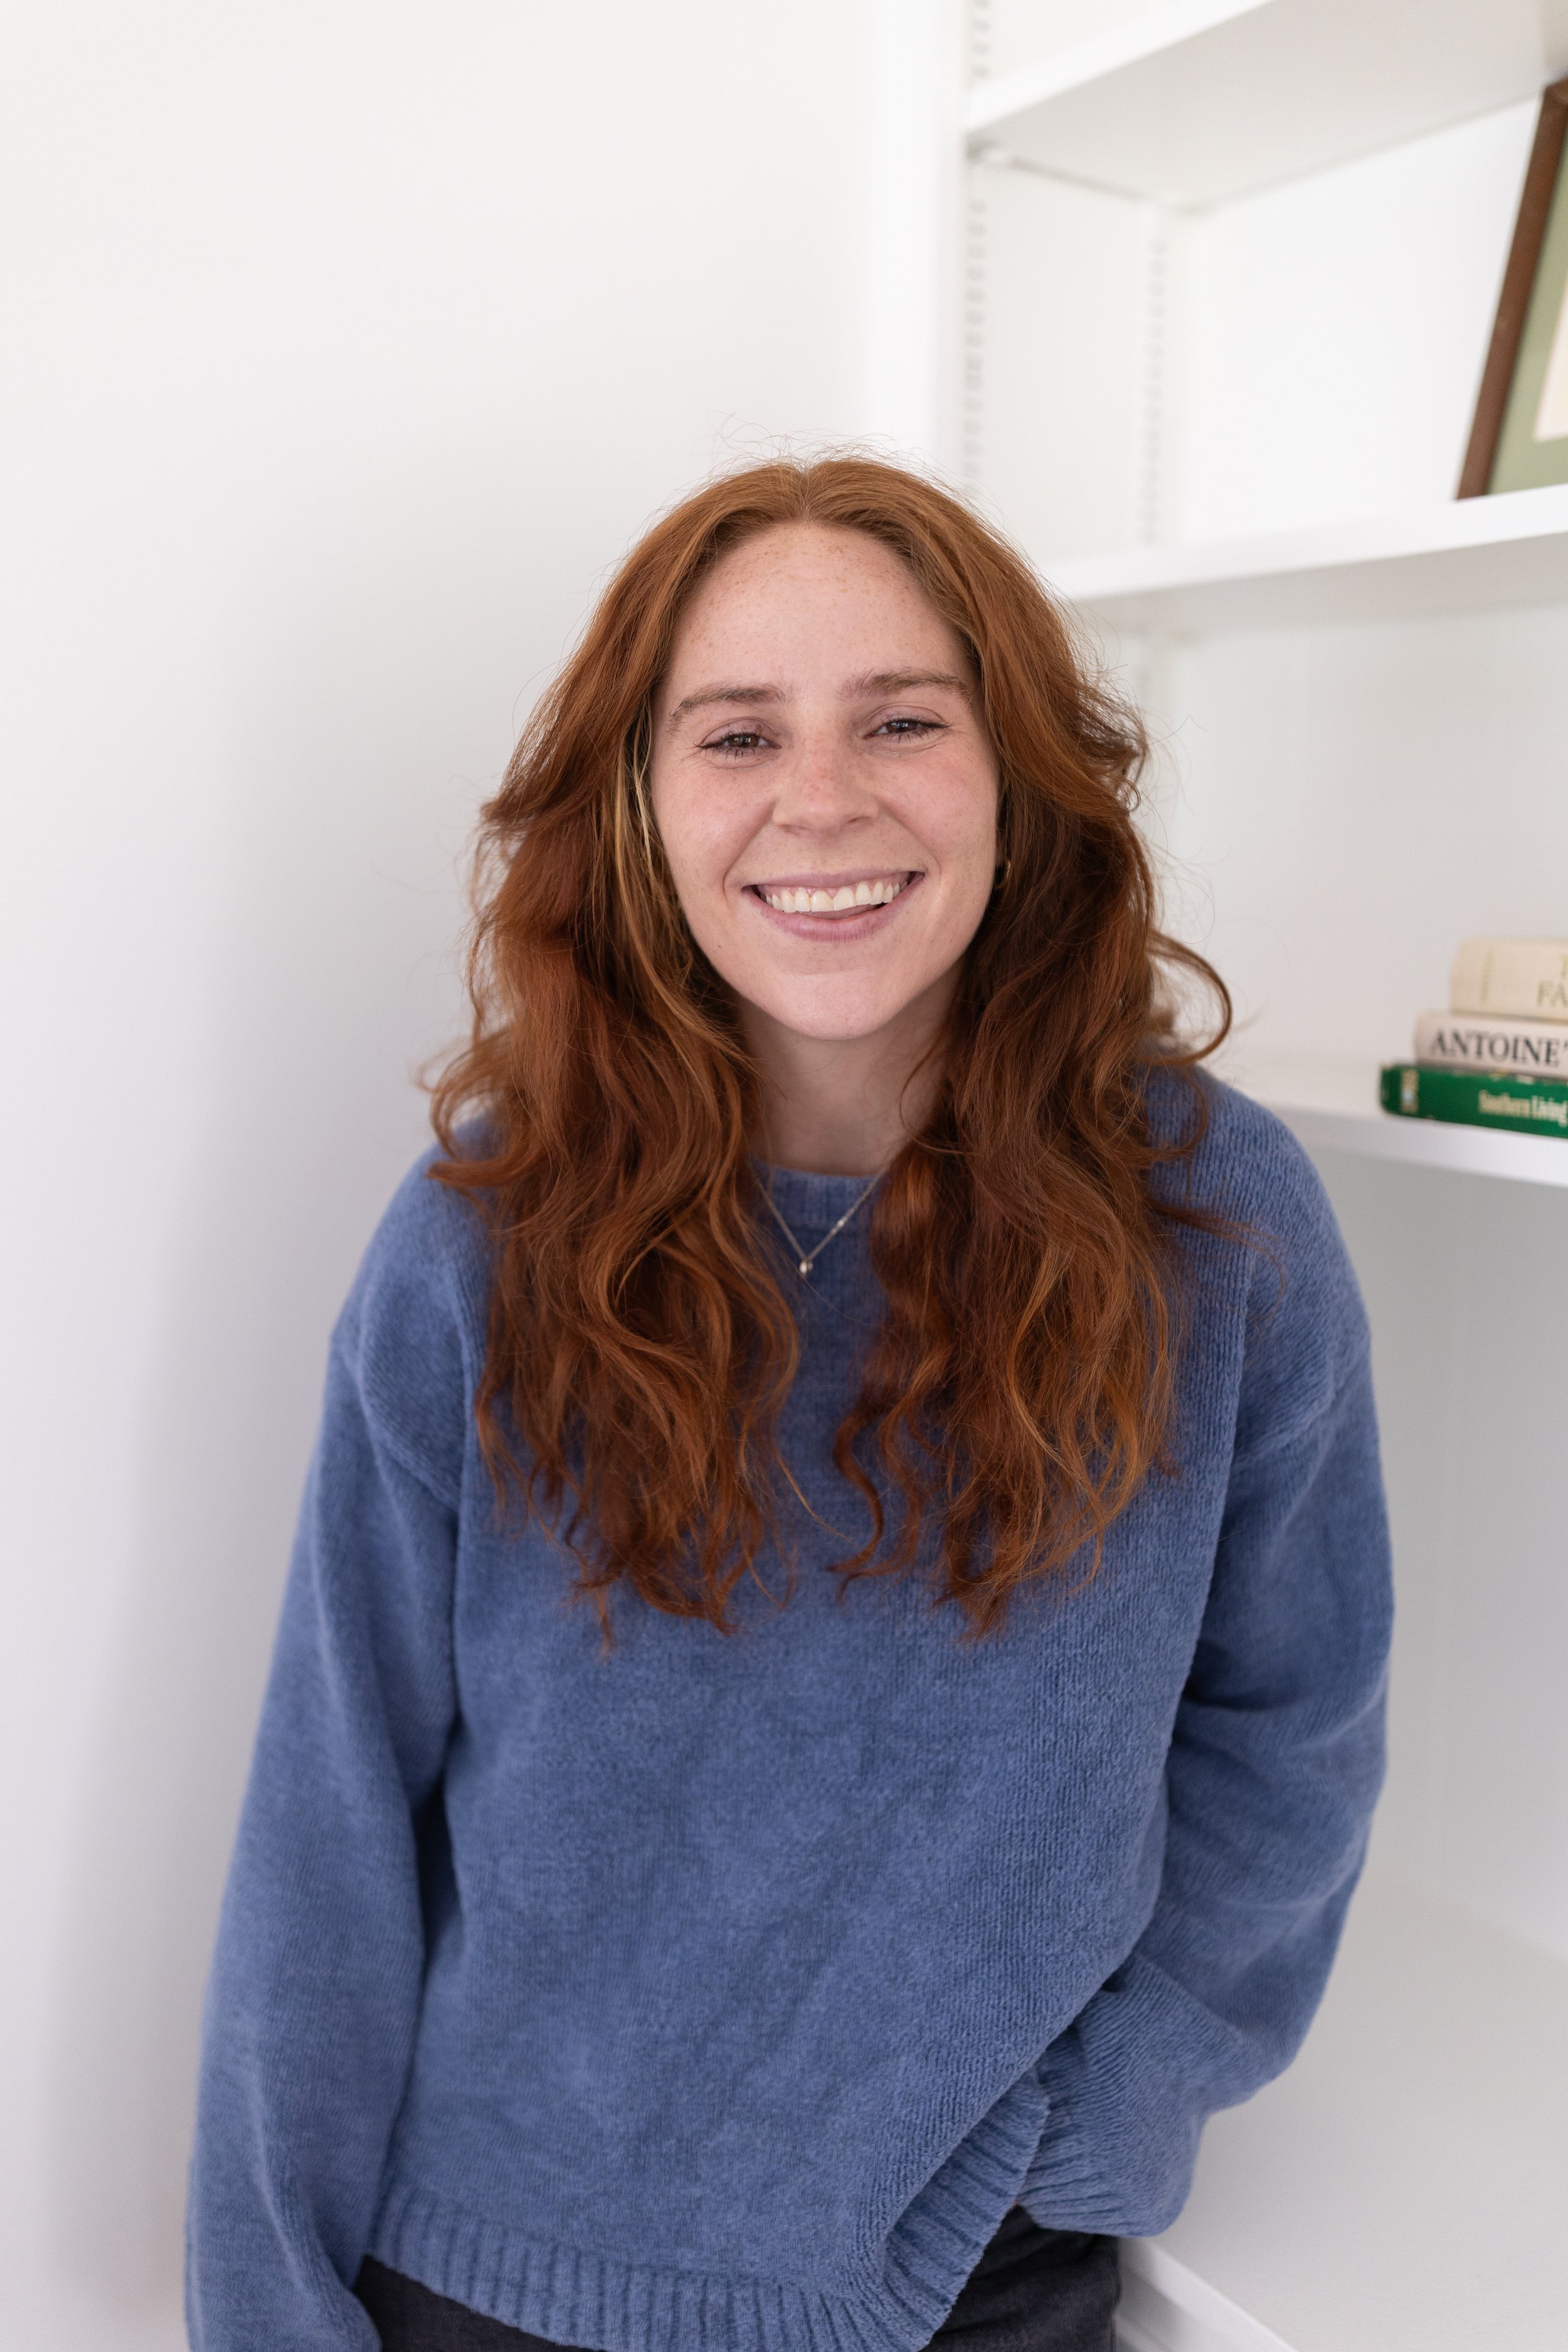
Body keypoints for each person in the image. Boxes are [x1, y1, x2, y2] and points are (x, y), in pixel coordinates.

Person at [185, 457, 1392, 2352]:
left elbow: (1290, 1721)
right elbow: (331, 1814)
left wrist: (1111, 2115)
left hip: (969, 2280)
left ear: (1014, 774)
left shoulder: (1216, 1223)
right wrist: (266, 2304)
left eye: (901, 719)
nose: (819, 800)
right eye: (736, 734)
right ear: (643, 806)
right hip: (489, 2277)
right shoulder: (481, 1241)